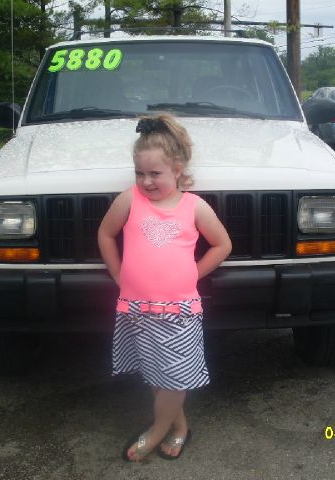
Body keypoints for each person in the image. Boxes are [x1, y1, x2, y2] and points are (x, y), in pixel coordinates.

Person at [98, 114, 232, 462]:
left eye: (154, 174)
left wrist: (193, 273)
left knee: (175, 375)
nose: (146, 181)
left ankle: (157, 430)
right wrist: (117, 273)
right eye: (140, 173)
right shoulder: (130, 200)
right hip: (137, 309)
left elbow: (222, 245)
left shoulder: (194, 207)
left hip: (178, 311)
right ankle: (180, 427)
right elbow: (105, 233)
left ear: (177, 169)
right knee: (158, 371)